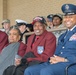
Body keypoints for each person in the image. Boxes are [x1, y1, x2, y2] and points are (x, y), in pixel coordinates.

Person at [24, 4, 76, 75]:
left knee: (46, 71)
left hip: (72, 64)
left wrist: (64, 59)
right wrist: (53, 58)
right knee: (29, 70)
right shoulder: (63, 36)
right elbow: (57, 52)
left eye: (70, 17)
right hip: (59, 62)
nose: (67, 20)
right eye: (66, 17)